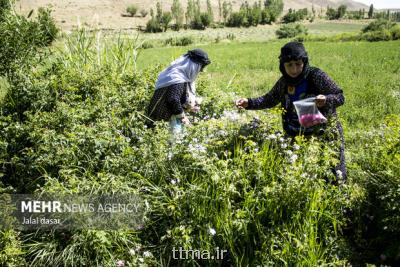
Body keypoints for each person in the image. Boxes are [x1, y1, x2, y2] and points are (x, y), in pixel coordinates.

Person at [235, 41, 347, 182]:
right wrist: (248, 103)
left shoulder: (316, 76)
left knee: (334, 175)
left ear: (304, 62)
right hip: (298, 136)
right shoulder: (284, 82)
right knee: (301, 175)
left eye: (298, 64)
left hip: (326, 134)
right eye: (289, 65)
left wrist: (326, 99)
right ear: (283, 65)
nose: (294, 70)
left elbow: (340, 96)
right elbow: (269, 99)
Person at [146, 48, 211, 135]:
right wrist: (184, 118)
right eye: (201, 67)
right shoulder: (177, 77)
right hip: (162, 120)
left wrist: (191, 106)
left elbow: (178, 97)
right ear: (194, 66)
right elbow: (173, 99)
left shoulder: (179, 75)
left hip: (164, 118)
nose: (201, 71)